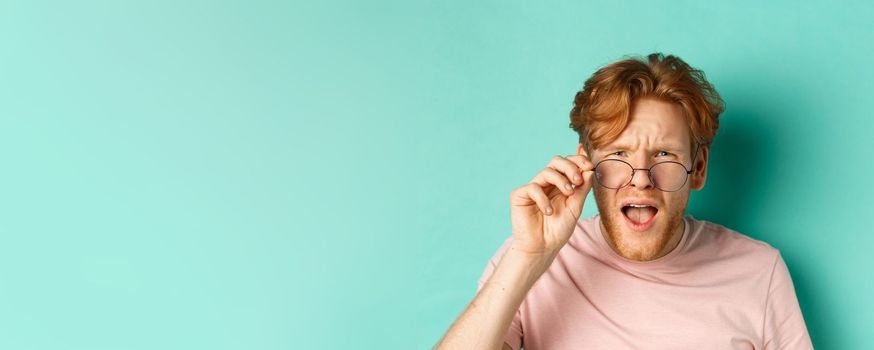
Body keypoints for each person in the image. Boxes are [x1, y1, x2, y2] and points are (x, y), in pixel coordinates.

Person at [435, 53, 813, 349]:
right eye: (619, 154)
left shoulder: (759, 272)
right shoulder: (530, 261)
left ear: (698, 168)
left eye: (665, 155)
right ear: (585, 163)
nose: (641, 179)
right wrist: (528, 258)